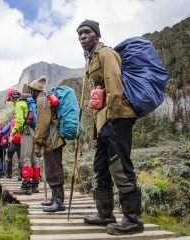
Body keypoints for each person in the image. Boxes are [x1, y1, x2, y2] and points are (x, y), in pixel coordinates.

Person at [76, 19, 143, 235]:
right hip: (103, 121)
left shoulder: (106, 54)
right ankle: (105, 215)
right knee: (101, 167)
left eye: (87, 32)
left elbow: (114, 85)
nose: (83, 36)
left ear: (96, 35)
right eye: (80, 34)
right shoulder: (91, 58)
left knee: (120, 167)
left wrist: (112, 117)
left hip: (117, 118)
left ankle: (133, 220)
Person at [30, 76, 66, 212]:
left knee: (54, 169)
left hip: (51, 140)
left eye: (31, 90)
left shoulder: (41, 101)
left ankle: (58, 202)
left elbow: (41, 125)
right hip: (54, 139)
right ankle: (54, 199)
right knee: (53, 168)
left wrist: (37, 145)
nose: (30, 93)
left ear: (35, 90)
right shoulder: (46, 98)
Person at [6, 89, 40, 195]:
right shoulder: (27, 102)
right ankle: (35, 184)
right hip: (34, 131)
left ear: (12, 97)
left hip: (26, 133)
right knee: (34, 158)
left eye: (10, 99)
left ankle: (26, 186)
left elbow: (20, 121)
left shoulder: (19, 104)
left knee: (25, 158)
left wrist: (12, 133)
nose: (11, 101)